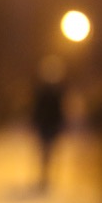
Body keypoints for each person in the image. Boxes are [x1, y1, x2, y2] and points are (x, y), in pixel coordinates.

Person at [30, 56, 66, 194]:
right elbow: (36, 109)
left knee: (48, 151)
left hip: (50, 125)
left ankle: (46, 175)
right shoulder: (43, 92)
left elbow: (60, 110)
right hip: (45, 125)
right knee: (45, 150)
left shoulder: (57, 92)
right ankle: (45, 175)